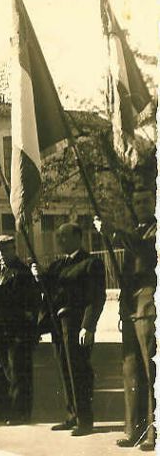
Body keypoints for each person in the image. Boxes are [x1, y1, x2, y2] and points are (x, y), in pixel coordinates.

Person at [94, 186, 156, 451]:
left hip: (148, 306)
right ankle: (135, 430)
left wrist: (115, 233)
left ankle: (155, 434)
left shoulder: (153, 231)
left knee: (150, 370)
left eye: (146, 201)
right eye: (137, 201)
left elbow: (146, 252)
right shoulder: (134, 232)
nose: (141, 205)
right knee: (130, 371)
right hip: (130, 306)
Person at [34, 223, 106, 436]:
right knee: (65, 370)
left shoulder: (91, 263)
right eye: (58, 236)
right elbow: (47, 288)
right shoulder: (58, 266)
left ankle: (85, 420)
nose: (60, 240)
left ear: (78, 236)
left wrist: (88, 326)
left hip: (76, 324)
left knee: (79, 371)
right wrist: (38, 275)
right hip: (59, 324)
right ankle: (71, 415)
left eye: (64, 236)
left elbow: (96, 298)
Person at [0, 235, 40, 425]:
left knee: (16, 374)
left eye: (4, 250)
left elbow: (16, 299)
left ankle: (20, 413)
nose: (1, 255)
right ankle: (2, 409)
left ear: (13, 249)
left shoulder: (21, 272)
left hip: (15, 330)